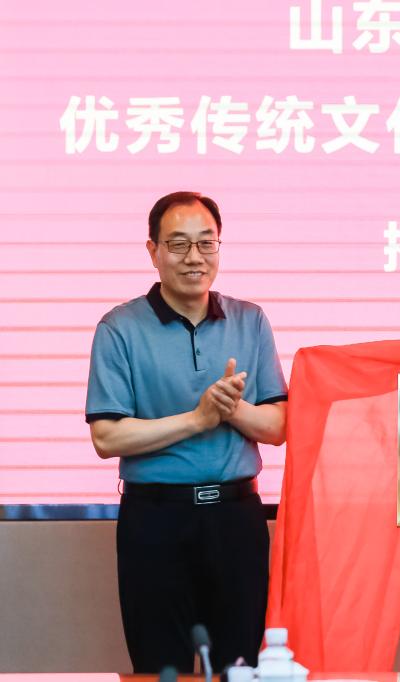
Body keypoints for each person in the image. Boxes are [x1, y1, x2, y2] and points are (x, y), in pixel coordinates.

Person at [86, 191, 288, 672]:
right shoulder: (119, 328)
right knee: (161, 667)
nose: (194, 257)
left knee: (238, 667)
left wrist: (230, 408)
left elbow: (278, 427)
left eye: (206, 243)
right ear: (153, 251)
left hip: (235, 519)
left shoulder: (250, 320)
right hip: (155, 520)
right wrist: (198, 419)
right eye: (178, 244)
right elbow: (107, 438)